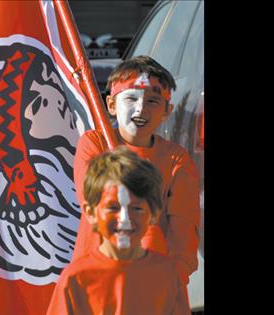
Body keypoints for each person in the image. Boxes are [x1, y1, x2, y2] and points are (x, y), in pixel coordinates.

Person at [72, 55, 200, 285]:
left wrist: (171, 278)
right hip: (97, 282)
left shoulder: (176, 160)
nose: (141, 108)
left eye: (153, 101)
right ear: (111, 105)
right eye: (131, 98)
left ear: (166, 111)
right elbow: (93, 198)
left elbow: (184, 233)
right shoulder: (94, 145)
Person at [47, 147, 190, 315]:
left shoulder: (168, 275)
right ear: (91, 213)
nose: (125, 219)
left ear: (153, 213)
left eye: (136, 208)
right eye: (113, 207)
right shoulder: (75, 279)